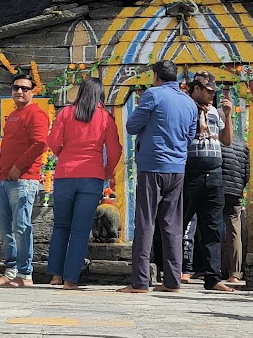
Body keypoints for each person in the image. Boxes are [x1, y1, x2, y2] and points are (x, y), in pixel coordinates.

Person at [121, 60, 199, 294]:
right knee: (172, 224)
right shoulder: (189, 102)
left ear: (156, 75)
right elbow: (191, 136)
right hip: (177, 168)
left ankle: (140, 282)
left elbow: (132, 126)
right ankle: (173, 281)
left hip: (152, 165)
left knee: (145, 222)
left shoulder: (152, 95)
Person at [45, 76, 122, 289]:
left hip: (64, 175)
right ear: (100, 95)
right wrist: (105, 171)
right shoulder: (105, 118)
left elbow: (52, 142)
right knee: (80, 230)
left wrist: (63, 153)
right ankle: (70, 279)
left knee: (61, 226)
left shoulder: (66, 113)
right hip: (92, 178)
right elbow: (115, 151)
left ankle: (55, 275)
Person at [0, 70, 52, 286]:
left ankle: (25, 274)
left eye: (25, 88)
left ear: (32, 92)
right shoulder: (13, 115)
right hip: (6, 178)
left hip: (24, 179)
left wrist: (18, 167)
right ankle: (10, 271)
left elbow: (40, 144)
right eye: (16, 88)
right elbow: (8, 144)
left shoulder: (36, 113)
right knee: (5, 227)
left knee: (21, 226)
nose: (19, 91)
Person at [184, 72, 234, 292]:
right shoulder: (185, 108)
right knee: (179, 223)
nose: (211, 95)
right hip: (190, 173)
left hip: (214, 174)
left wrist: (228, 115)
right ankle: (174, 271)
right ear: (196, 89)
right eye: (208, 91)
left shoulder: (214, 112)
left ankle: (213, 278)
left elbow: (227, 141)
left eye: (214, 91)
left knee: (212, 228)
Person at [220, 124, 250, 284]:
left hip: (217, 188)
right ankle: (235, 273)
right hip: (236, 191)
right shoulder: (243, 145)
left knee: (209, 227)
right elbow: (247, 173)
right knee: (234, 231)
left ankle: (208, 269)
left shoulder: (216, 141)